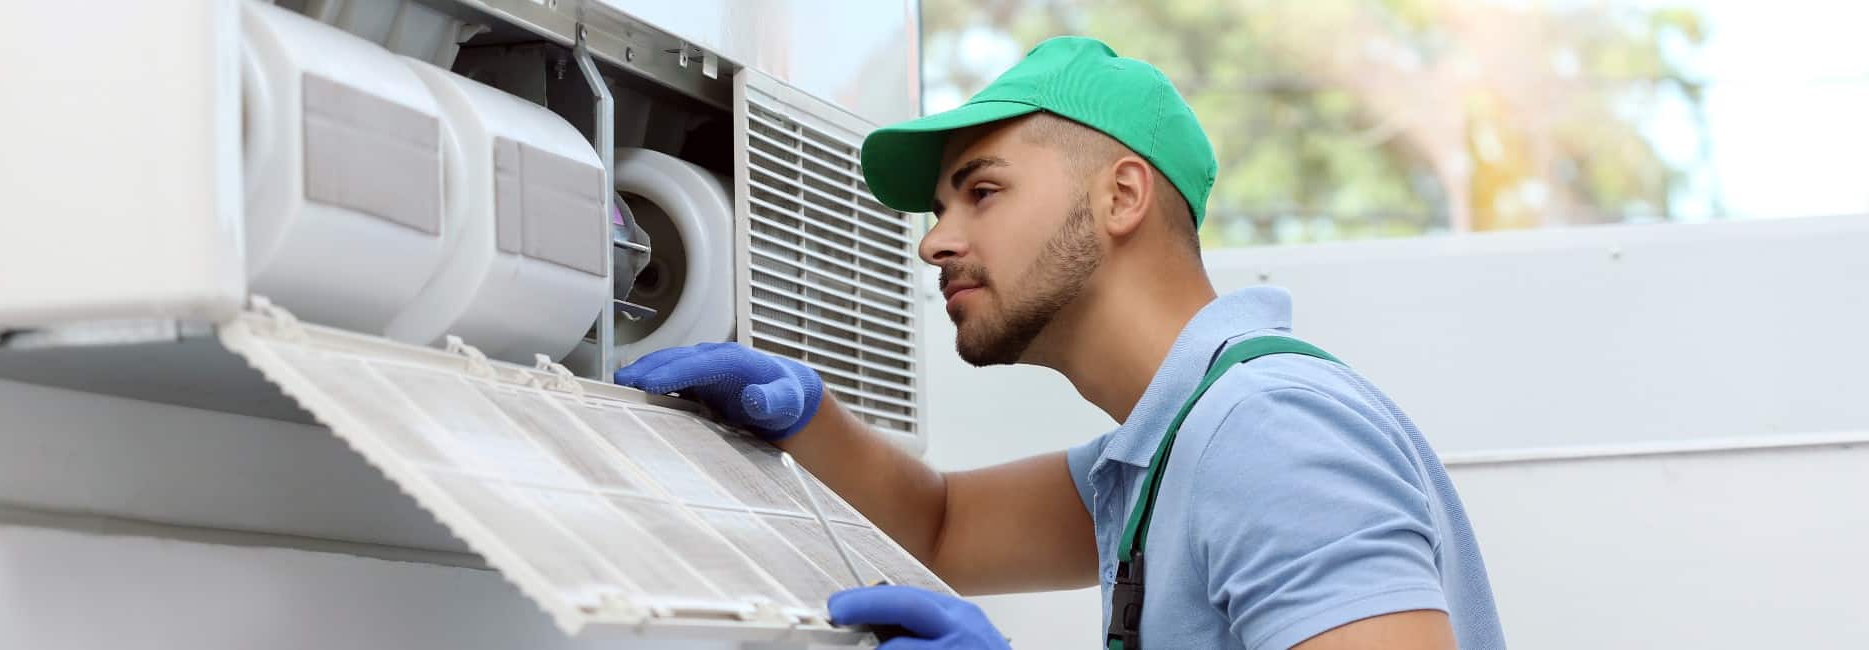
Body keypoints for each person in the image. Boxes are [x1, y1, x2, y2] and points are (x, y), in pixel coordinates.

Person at [616, 36, 1504, 650]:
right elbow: (943, 528)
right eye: (938, 210)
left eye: (982, 191)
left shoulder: (1266, 434)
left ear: (1121, 198)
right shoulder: (1163, 452)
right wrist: (804, 414)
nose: (935, 241)